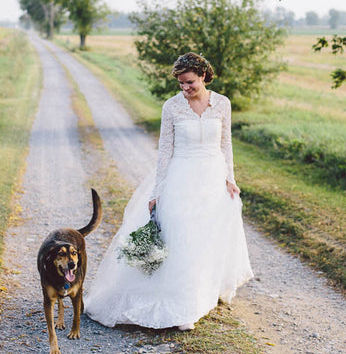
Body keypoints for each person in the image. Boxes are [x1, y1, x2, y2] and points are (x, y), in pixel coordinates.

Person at [84, 52, 253, 331]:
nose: (185, 89)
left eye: (190, 83)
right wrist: (158, 191)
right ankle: (181, 301)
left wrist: (229, 178)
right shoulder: (172, 107)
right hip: (181, 177)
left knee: (206, 237)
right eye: (181, 85)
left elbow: (226, 145)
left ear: (203, 75)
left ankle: (204, 290)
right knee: (181, 237)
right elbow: (164, 152)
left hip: (212, 177)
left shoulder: (222, 103)